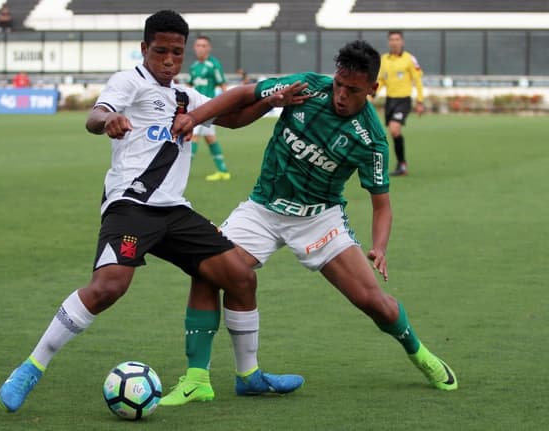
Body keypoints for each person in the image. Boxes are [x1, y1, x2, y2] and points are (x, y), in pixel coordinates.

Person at [0, 10, 304, 413]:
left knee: (240, 277)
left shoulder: (187, 97)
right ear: (144, 49)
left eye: (177, 52)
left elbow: (232, 119)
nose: (169, 60)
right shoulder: (129, 82)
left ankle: (249, 376)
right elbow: (95, 116)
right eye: (160, 51)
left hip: (174, 211)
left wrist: (271, 102)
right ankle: (30, 368)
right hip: (131, 207)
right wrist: (110, 120)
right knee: (109, 287)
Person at [161, 40, 457, 406]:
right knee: (208, 270)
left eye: (353, 90)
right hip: (263, 209)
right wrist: (196, 116)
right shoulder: (307, 86)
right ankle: (198, 379)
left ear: (372, 90)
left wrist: (379, 247)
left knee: (373, 302)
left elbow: (382, 206)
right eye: (339, 84)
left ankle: (420, 353)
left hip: (319, 219)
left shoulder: (372, 140)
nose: (341, 95)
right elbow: (242, 93)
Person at [376, 31, 424, 176]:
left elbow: (417, 80)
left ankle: (402, 165)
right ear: (388, 42)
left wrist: (420, 101)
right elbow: (381, 81)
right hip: (390, 101)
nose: (394, 42)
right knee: (393, 133)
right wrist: (371, 95)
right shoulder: (383, 59)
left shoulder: (409, 59)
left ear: (402, 42)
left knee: (394, 130)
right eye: (391, 39)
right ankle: (401, 164)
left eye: (397, 39)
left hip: (404, 100)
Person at [188, 35, 231, 181]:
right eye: (198, 45)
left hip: (207, 107)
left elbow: (223, 85)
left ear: (209, 48)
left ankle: (183, 172)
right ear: (194, 48)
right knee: (210, 138)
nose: (200, 48)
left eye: (203, 45)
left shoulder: (213, 65)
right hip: (195, 106)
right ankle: (223, 171)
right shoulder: (194, 67)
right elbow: (189, 85)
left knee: (192, 137)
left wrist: (229, 105)